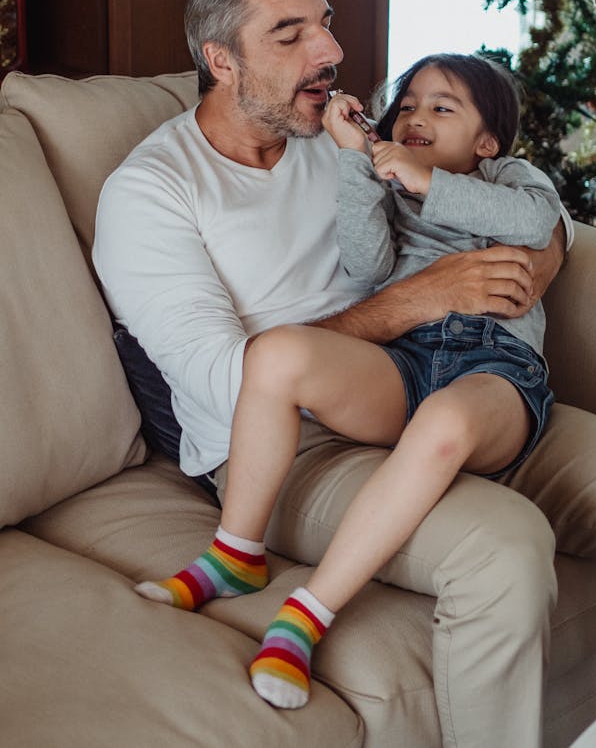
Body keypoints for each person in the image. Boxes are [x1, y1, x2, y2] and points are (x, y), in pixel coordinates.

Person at [93, 0, 596, 748]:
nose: (331, 50)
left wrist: (539, 261)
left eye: (324, 22)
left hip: (464, 376)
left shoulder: (339, 133)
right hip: (301, 443)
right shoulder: (150, 196)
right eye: (290, 35)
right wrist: (413, 302)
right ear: (220, 60)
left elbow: (499, 188)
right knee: (506, 554)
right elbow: (232, 384)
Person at [133, 51, 562, 709]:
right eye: (410, 105)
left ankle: (308, 610)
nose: (417, 116)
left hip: (494, 365)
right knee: (276, 354)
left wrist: (425, 179)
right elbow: (367, 267)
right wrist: (356, 163)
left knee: (444, 423)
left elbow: (536, 224)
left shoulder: (509, 175)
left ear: (486, 140)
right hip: (404, 356)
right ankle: (234, 552)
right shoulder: (389, 183)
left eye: (442, 107)